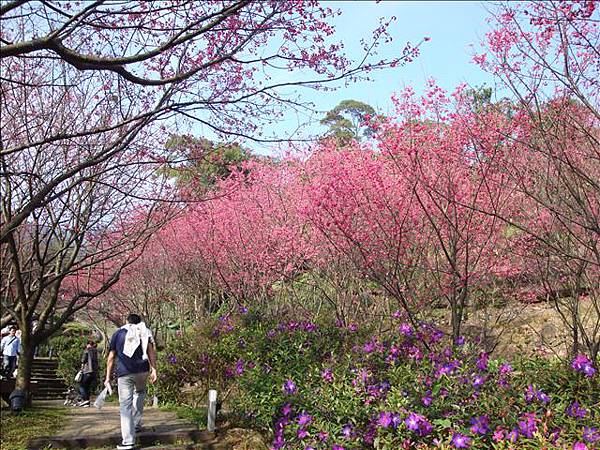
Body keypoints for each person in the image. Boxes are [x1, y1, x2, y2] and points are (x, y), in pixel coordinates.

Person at [104, 314, 157, 450]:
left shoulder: (118, 334)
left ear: (126, 321)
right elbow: (151, 351)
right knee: (139, 393)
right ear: (140, 322)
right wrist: (154, 369)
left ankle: (128, 441)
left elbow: (111, 357)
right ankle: (136, 425)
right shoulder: (145, 332)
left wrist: (107, 378)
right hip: (142, 371)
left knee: (125, 405)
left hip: (125, 373)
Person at [77, 339, 99, 407]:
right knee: (87, 386)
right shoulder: (95, 351)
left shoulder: (87, 350)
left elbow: (83, 360)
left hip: (87, 371)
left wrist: (81, 369)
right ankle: (87, 402)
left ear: (88, 344)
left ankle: (85, 400)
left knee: (81, 386)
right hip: (94, 372)